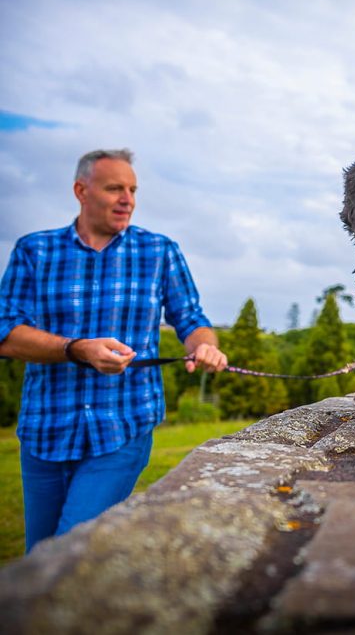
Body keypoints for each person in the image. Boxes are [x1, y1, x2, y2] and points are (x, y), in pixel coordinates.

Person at [0, 149, 228, 552]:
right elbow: (6, 335)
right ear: (81, 191)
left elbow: (190, 318)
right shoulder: (34, 251)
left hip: (123, 428)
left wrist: (205, 347)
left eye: (133, 189)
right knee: (38, 555)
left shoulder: (159, 251)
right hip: (44, 430)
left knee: (71, 549)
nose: (128, 199)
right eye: (114, 188)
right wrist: (77, 349)